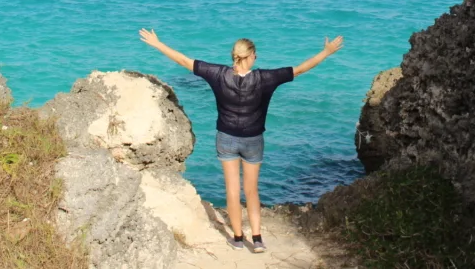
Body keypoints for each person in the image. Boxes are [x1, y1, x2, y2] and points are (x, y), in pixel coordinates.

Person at [138, 28, 344, 254]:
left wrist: (158, 44)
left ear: (234, 56)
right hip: (253, 140)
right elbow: (301, 69)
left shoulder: (218, 74)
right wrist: (326, 52)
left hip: (226, 138)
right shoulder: (265, 78)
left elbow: (184, 60)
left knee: (232, 190)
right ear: (252, 55)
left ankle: (237, 238)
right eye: (256, 54)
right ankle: (257, 239)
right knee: (252, 190)